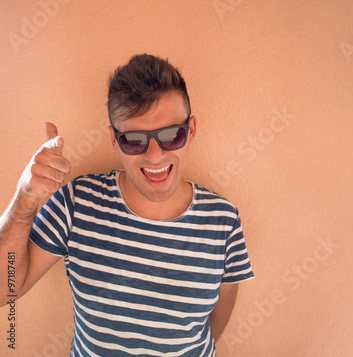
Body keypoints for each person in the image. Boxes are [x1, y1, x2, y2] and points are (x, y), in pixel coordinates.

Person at [0, 54, 254, 356]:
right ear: (114, 139)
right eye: (134, 140)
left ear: (192, 130)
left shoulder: (223, 221)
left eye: (172, 135)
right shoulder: (76, 204)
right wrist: (25, 197)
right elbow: (6, 289)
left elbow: (214, 326)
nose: (155, 156)